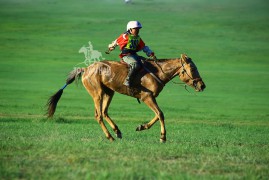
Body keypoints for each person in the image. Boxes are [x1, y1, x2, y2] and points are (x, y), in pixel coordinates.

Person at [108, 21, 156, 87]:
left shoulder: (138, 38)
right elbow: (117, 41)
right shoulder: (125, 36)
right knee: (135, 65)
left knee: (147, 62)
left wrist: (150, 53)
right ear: (130, 29)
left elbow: (143, 47)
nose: (137, 31)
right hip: (126, 55)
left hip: (134, 55)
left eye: (138, 29)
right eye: (135, 29)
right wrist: (111, 46)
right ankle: (127, 80)